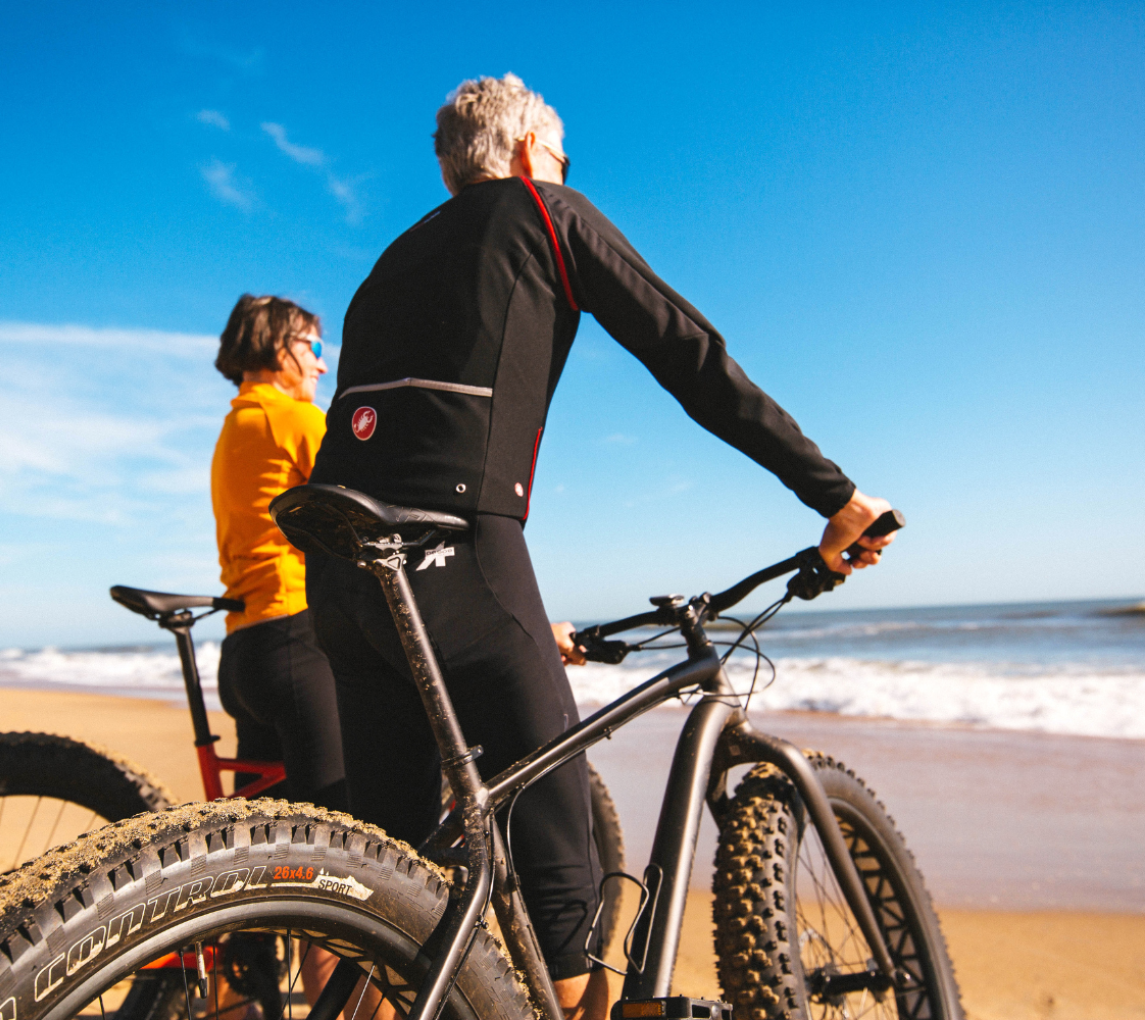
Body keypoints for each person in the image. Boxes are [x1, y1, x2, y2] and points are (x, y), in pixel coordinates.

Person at [306, 74, 895, 1020]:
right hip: (459, 551)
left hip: (341, 576)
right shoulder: (546, 210)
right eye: (569, 159)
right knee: (563, 893)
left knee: (391, 894)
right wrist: (836, 496)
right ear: (535, 153)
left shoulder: (385, 263)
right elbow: (691, 354)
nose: (570, 173)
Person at [211, 294, 347, 810]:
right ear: (277, 347)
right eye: (312, 344)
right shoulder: (296, 419)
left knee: (258, 850)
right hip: (297, 643)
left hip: (245, 654)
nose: (322, 360)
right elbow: (368, 519)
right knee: (342, 843)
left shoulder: (234, 428)